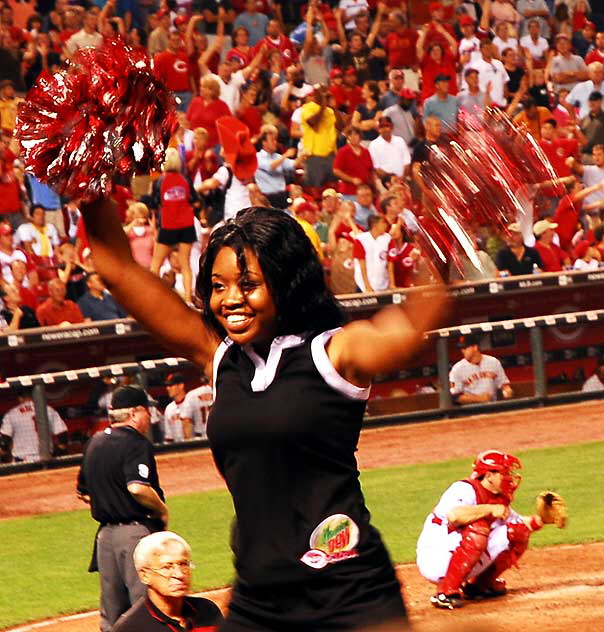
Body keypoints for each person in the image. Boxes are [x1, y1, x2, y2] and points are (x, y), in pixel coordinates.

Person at [81, 194, 447, 630]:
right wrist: (92, 193)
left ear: (286, 282)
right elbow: (119, 270)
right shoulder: (220, 358)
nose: (230, 299)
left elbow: (404, 330)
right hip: (260, 599)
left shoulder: (333, 351)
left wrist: (446, 240)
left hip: (349, 595)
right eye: (218, 287)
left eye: (248, 284)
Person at [77, 385, 168, 632]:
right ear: (136, 413)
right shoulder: (136, 443)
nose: (150, 417)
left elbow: (84, 494)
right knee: (145, 608)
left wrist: (109, 500)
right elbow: (138, 488)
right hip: (134, 535)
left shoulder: (94, 442)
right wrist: (162, 510)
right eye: (147, 411)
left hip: (105, 538)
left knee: (112, 613)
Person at [416, 450, 545, 609]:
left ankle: (480, 586)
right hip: (436, 556)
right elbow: (454, 516)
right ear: (489, 475)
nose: (509, 478)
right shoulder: (464, 489)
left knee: (518, 531)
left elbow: (518, 523)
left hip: (458, 553)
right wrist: (489, 509)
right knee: (478, 528)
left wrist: (541, 519)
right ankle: (445, 593)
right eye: (505, 473)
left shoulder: (497, 498)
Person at [112, 531, 224, 632]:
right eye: (167, 567)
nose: (179, 574)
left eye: (183, 564)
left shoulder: (207, 610)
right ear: (145, 575)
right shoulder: (131, 628)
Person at [0, 386, 67, 463]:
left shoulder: (12, 414)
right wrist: (57, 455)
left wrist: (4, 457)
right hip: (46, 459)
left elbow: (4, 441)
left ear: (20, 398)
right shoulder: (48, 410)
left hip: (22, 461)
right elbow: (63, 437)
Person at [449, 334, 513, 404]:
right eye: (461, 348)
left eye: (465, 348)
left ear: (475, 347)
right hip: (470, 410)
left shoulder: (493, 362)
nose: (462, 351)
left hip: (493, 406)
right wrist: (479, 399)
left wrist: (507, 391)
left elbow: (504, 384)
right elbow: (454, 396)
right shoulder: (457, 368)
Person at [162, 373, 194, 443]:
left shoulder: (192, 403)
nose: (167, 388)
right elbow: (169, 437)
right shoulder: (169, 408)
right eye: (167, 386)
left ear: (181, 386)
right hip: (178, 448)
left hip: (197, 446)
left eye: (171, 385)